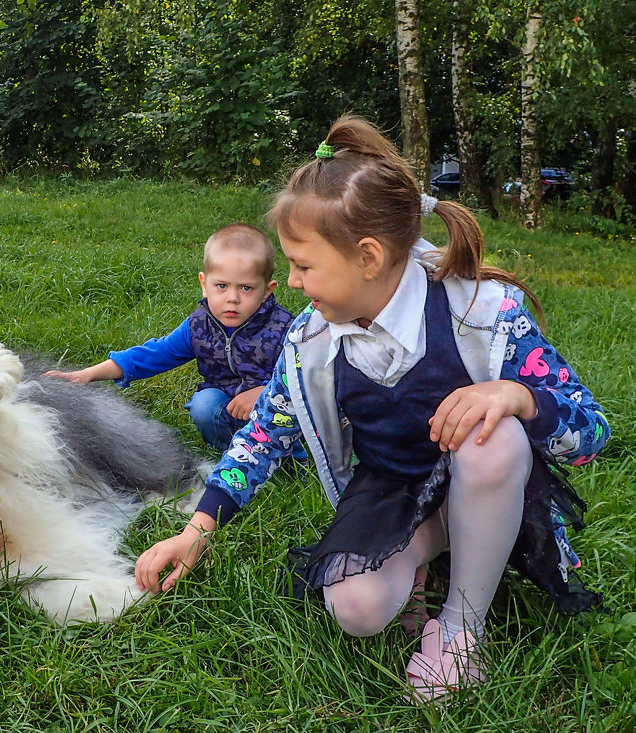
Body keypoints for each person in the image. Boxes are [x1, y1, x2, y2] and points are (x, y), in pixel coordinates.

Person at [134, 115, 609, 703]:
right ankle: (434, 547)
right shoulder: (311, 340)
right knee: (356, 608)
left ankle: (464, 626)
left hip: (490, 476)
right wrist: (197, 530)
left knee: (495, 437)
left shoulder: (484, 312)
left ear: (367, 257)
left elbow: (590, 429)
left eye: (304, 266)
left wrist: (517, 398)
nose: (293, 283)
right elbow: (265, 434)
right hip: (391, 485)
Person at [45, 223, 293, 451]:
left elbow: (305, 377)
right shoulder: (199, 326)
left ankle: (286, 455)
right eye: (222, 286)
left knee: (288, 416)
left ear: (266, 291)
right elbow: (155, 354)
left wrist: (266, 393)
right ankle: (232, 451)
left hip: (278, 407)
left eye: (246, 288)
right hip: (227, 405)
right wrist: (87, 374)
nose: (232, 298)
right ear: (204, 284)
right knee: (204, 404)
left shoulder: (284, 328)